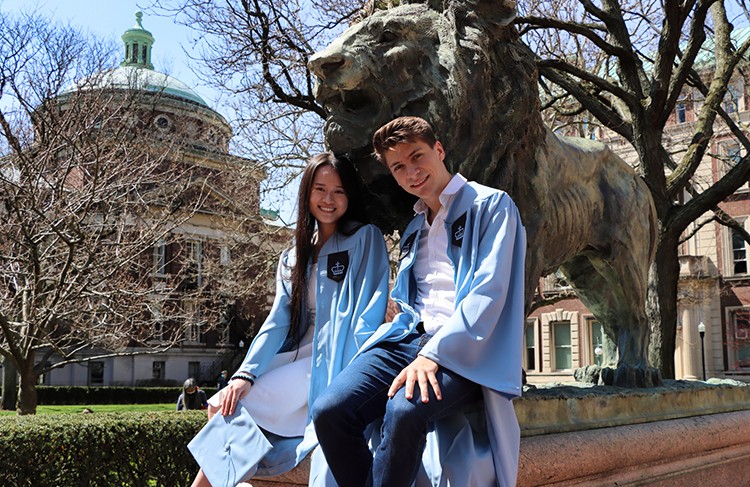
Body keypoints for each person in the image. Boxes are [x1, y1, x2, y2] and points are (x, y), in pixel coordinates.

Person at [312, 116, 526, 486]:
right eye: (398, 167)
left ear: (439, 150)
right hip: (408, 339)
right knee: (330, 412)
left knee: (404, 411)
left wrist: (433, 354)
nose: (411, 172)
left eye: (417, 157)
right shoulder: (413, 229)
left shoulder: (491, 206)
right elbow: (408, 298)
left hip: (466, 349)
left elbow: (489, 293)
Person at [189, 153, 390, 486]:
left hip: (338, 356)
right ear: (306, 194)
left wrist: (359, 371)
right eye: (320, 189)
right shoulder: (293, 255)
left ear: (349, 196)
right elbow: (278, 319)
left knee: (234, 409)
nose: (329, 199)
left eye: (338, 191)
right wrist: (246, 373)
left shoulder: (364, 239)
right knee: (224, 403)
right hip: (298, 353)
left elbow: (369, 307)